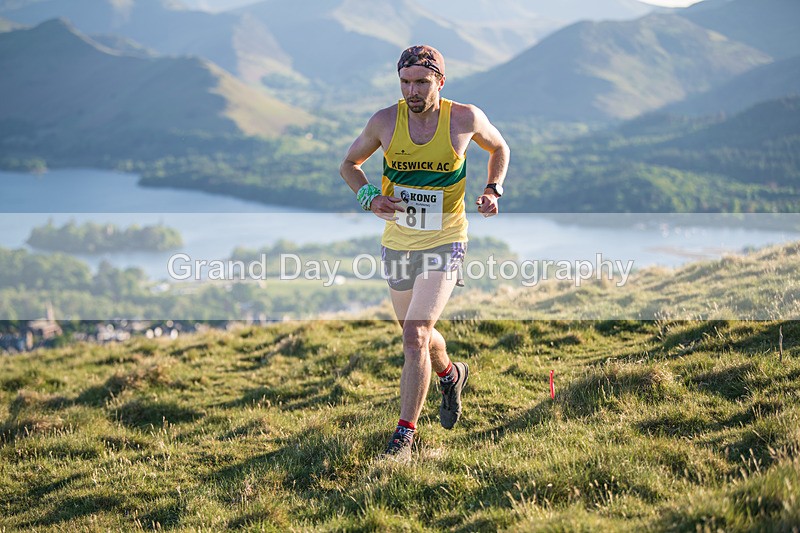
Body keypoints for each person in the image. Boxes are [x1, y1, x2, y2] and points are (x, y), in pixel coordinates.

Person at [339, 44, 510, 457]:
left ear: (440, 82)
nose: (411, 91)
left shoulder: (465, 117)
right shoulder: (384, 121)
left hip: (446, 239)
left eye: (420, 82)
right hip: (398, 242)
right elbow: (349, 164)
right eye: (405, 82)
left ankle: (404, 437)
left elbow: (500, 148)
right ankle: (451, 374)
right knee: (418, 335)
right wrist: (368, 197)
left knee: (415, 335)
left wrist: (492, 188)